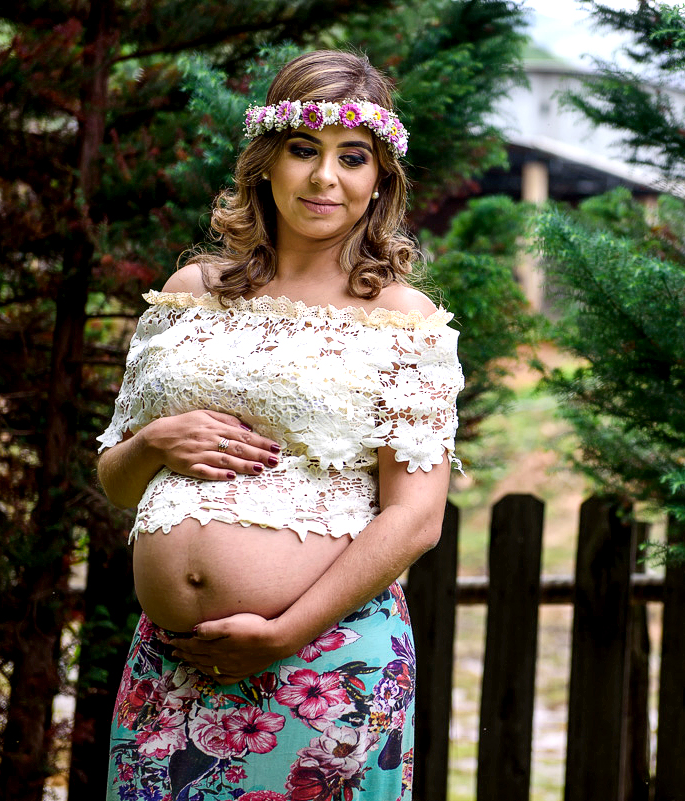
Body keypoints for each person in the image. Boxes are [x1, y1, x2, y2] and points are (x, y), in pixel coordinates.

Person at [96, 50, 461, 801]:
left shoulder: (402, 321)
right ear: (266, 161)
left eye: (351, 158)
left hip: (324, 665)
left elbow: (416, 517)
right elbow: (114, 478)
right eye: (304, 151)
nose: (326, 178)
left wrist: (286, 629)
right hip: (171, 666)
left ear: (378, 181)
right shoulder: (189, 293)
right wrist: (155, 442)